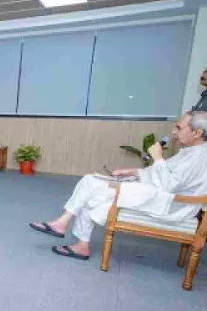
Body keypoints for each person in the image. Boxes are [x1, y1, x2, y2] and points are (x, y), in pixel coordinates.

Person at [30, 111, 207, 261]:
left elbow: (169, 185)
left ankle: (68, 230)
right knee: (91, 184)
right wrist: (134, 172)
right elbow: (165, 175)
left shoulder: (199, 157)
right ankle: (73, 235)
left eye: (179, 128)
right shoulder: (192, 151)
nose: (174, 132)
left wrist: (158, 157)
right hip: (160, 195)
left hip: (171, 204)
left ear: (197, 132)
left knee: (92, 186)